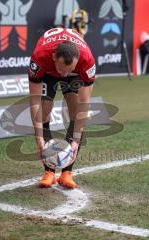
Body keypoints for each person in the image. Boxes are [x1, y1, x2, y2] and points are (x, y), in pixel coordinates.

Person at [28, 27, 96, 189]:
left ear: (77, 60)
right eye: (61, 70)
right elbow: (34, 101)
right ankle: (49, 172)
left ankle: (67, 173)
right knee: (44, 112)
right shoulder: (40, 58)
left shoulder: (86, 61)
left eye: (68, 70)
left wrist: (76, 140)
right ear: (53, 57)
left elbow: (84, 105)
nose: (64, 75)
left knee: (75, 111)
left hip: (74, 74)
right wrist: (39, 137)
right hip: (48, 73)